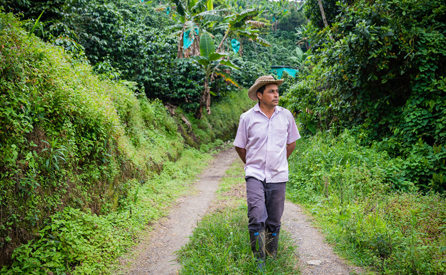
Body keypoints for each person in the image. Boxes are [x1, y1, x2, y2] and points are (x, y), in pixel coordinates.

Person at [233, 75, 300, 269]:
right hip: (255, 174)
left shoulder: (286, 115)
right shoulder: (247, 118)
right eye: (271, 91)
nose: (276, 94)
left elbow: (291, 142)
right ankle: (259, 261)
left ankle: (272, 255)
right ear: (260, 95)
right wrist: (252, 164)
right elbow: (240, 146)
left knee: (274, 219)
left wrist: (279, 161)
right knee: (256, 216)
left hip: (278, 175)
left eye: (277, 91)